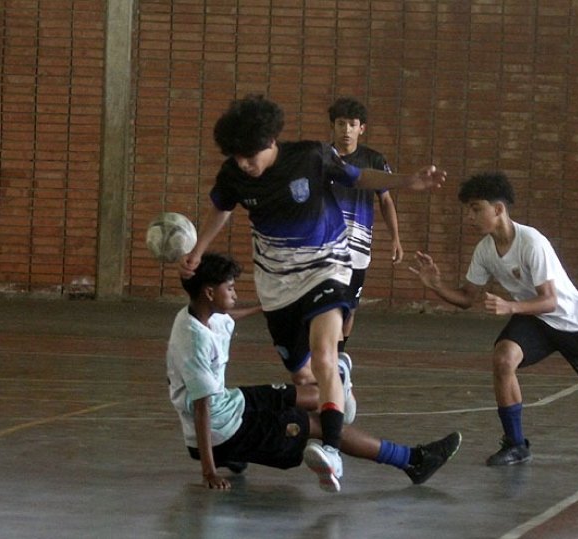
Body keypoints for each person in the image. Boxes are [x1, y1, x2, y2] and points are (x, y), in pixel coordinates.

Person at [178, 95, 446, 490]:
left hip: (326, 266)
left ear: (271, 143)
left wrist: (406, 180)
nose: (244, 165)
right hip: (276, 282)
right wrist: (198, 249)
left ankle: (333, 450)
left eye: (251, 157)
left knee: (324, 350)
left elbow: (358, 178)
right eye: (237, 157)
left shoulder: (311, 157)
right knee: (304, 375)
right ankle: (338, 379)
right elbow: (221, 209)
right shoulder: (233, 175)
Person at [409, 172, 578, 466]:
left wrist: (509, 307)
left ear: (498, 209)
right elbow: (467, 298)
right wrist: (436, 286)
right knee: (503, 359)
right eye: (467, 209)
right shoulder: (484, 251)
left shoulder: (532, 242)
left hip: (568, 320)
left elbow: (550, 300)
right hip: (534, 318)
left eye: (475, 208)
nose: (469, 216)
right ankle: (516, 444)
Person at [167, 252, 462, 492]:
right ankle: (413, 461)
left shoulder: (202, 312)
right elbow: (201, 408)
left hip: (229, 404)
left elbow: (229, 316)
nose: (234, 293)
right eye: (229, 288)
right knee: (321, 425)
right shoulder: (195, 341)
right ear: (209, 292)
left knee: (313, 395)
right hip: (222, 428)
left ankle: (335, 395)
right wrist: (208, 471)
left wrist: (265, 307)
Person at [327, 97, 403, 352]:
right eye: (340, 124)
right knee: (331, 303)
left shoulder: (374, 160)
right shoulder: (322, 158)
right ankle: (331, 356)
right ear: (333, 126)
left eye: (352, 124)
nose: (346, 130)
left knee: (349, 307)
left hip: (357, 246)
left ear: (362, 128)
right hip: (326, 243)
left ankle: (339, 351)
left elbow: (386, 200)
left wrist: (395, 238)